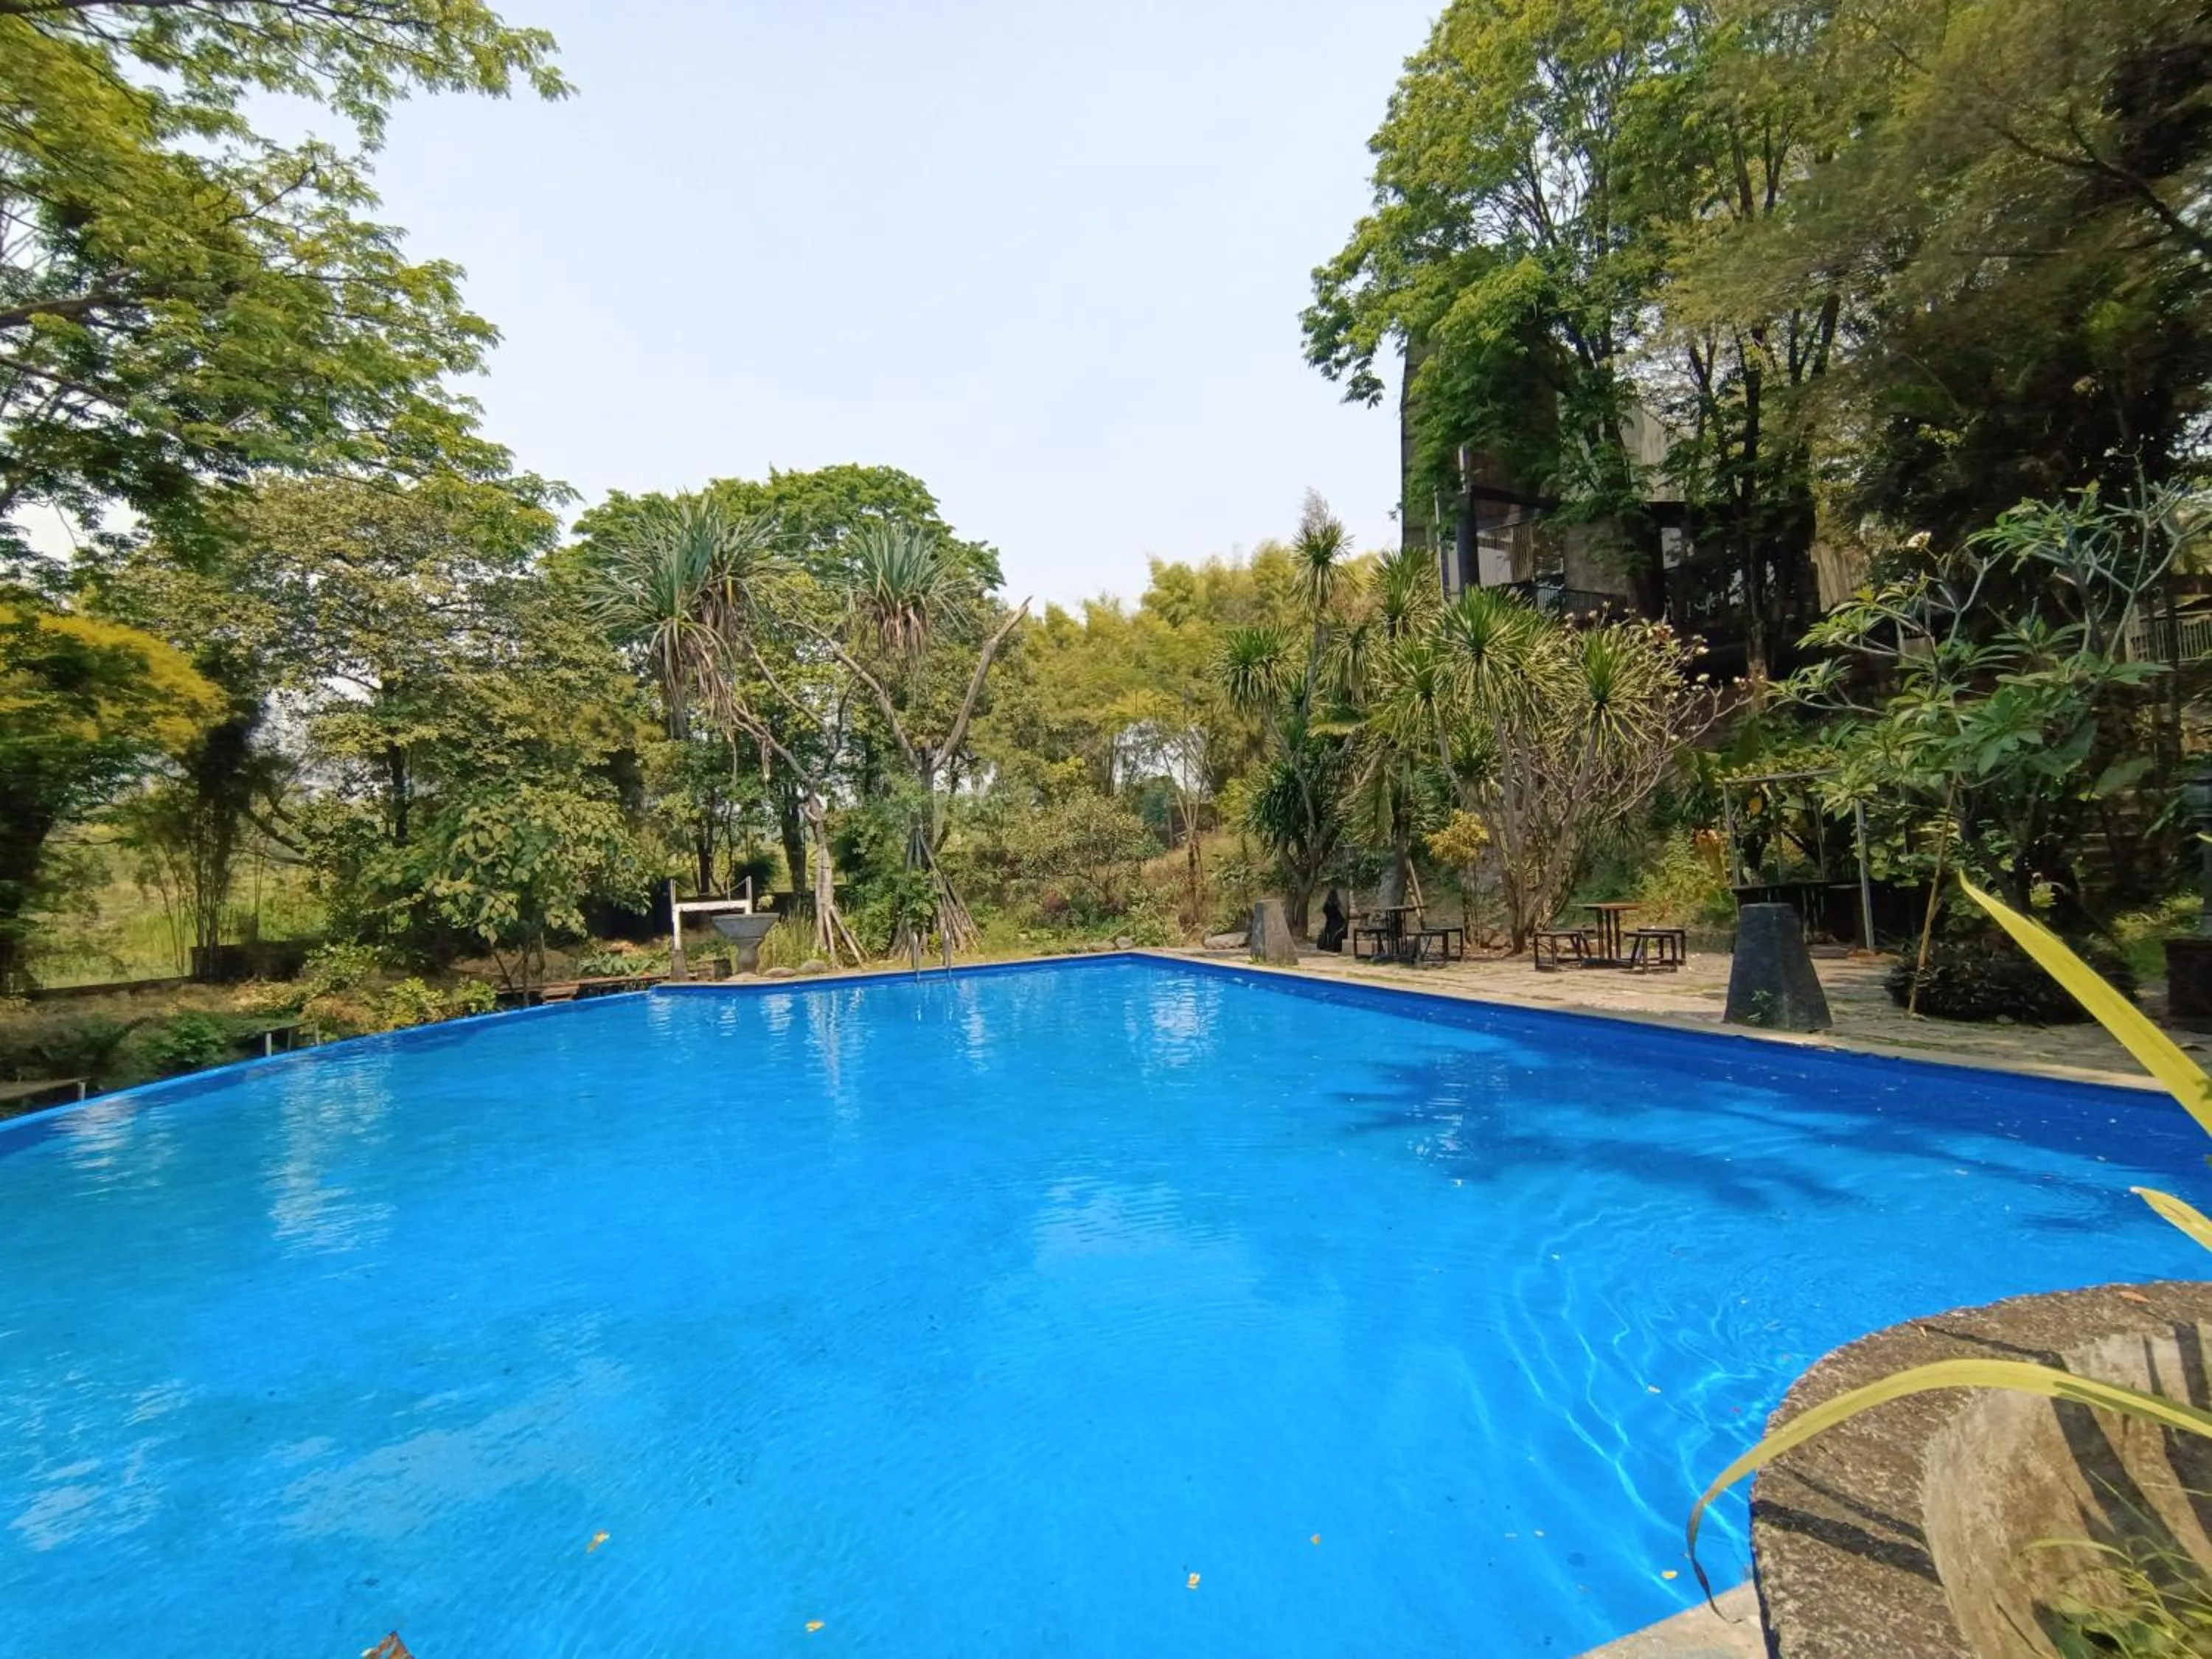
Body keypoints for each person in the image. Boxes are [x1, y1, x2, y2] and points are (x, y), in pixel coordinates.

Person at [1318, 886, 1349, 953]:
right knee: (1331, 934)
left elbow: (1324, 910)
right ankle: (1331, 946)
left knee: (1331, 934)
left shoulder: (1330, 903)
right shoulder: (1336, 903)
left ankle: (1330, 946)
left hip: (1333, 921)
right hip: (1335, 921)